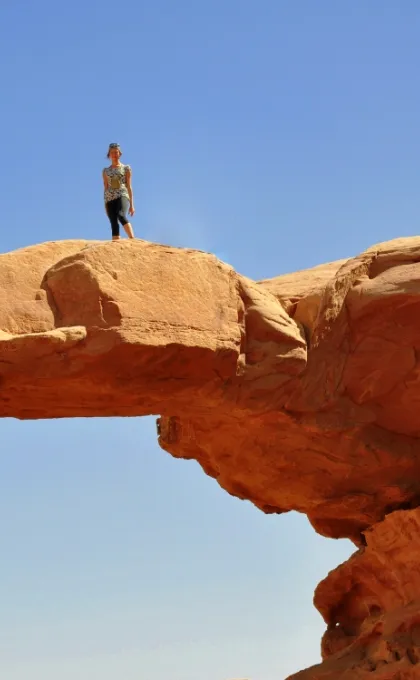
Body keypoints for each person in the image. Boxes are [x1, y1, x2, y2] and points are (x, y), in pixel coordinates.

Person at [103, 143, 135, 241]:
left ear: (119, 154)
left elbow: (129, 186)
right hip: (109, 198)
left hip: (122, 194)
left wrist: (132, 205)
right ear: (109, 155)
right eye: (112, 152)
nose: (114, 154)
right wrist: (105, 204)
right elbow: (105, 187)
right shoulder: (105, 171)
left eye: (116, 152)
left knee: (120, 215)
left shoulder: (126, 168)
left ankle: (132, 239)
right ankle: (116, 244)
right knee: (113, 220)